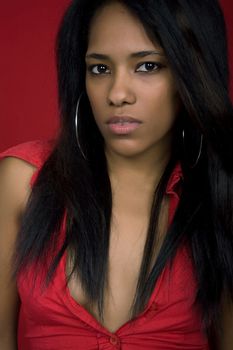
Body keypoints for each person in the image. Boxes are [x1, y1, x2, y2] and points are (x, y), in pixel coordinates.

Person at [0, 0, 233, 349]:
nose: (117, 94)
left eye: (148, 66)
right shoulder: (23, 182)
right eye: (99, 69)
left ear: (192, 71)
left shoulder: (221, 194)